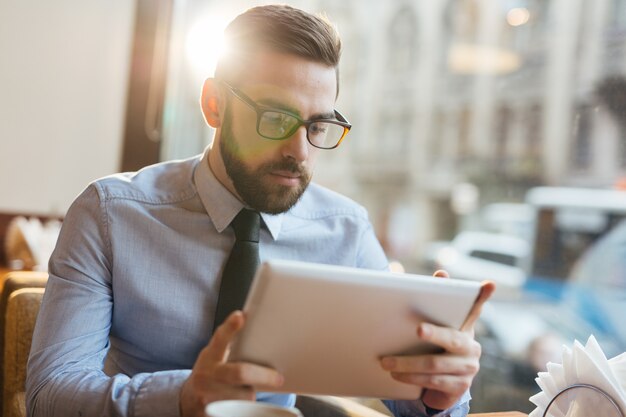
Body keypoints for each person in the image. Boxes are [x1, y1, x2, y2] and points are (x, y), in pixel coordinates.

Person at [26, 5, 493, 417]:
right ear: (214, 104)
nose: (300, 152)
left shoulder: (345, 230)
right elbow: (50, 397)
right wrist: (185, 398)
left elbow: (403, 395)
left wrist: (437, 392)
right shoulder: (109, 214)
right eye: (275, 119)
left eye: (317, 124)